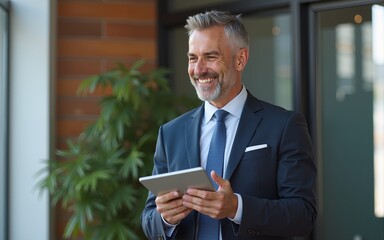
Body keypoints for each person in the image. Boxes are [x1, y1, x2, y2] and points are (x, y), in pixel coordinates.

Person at [141, 10, 317, 240]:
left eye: (211, 56)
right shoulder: (170, 133)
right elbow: (148, 219)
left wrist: (237, 208)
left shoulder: (284, 126)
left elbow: (303, 215)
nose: (199, 69)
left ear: (240, 59)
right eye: (193, 58)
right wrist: (165, 218)